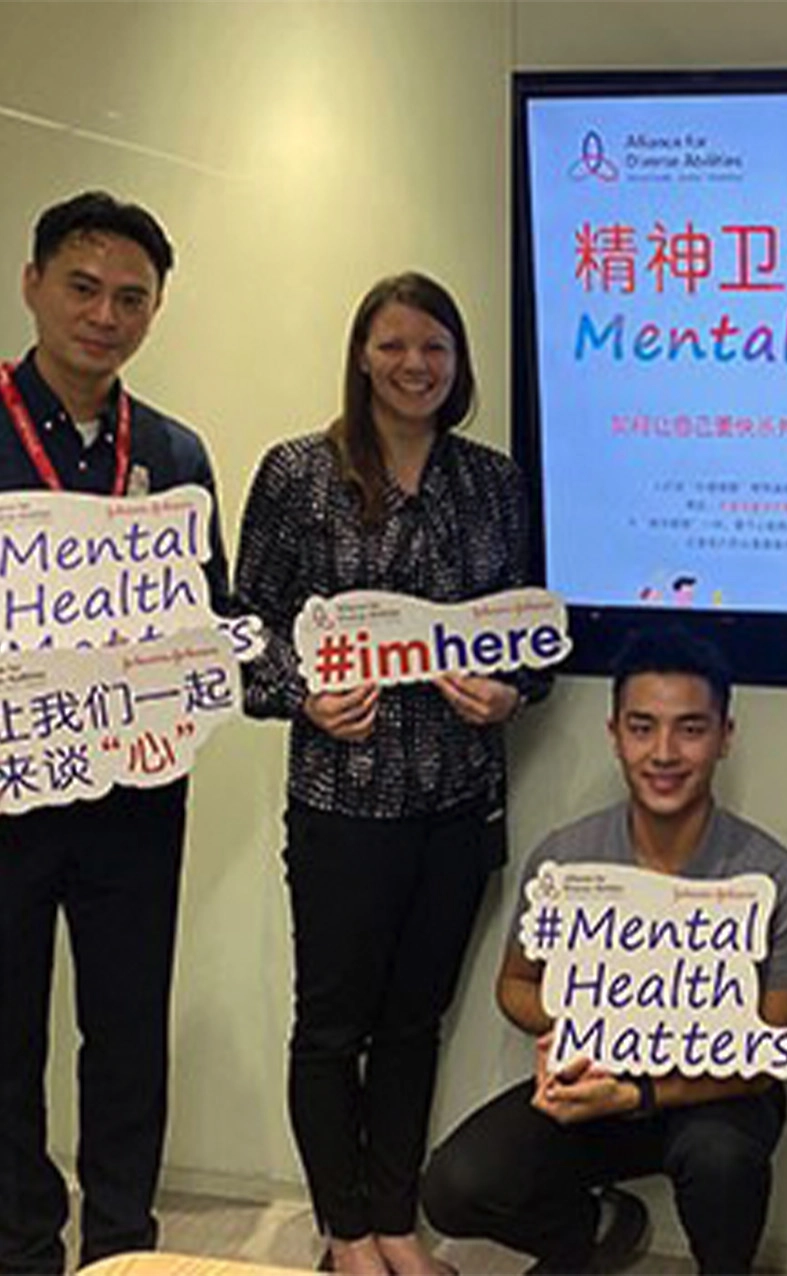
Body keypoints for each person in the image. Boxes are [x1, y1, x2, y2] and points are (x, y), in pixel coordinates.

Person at [236, 273, 547, 1275]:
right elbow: (245, 633)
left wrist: (513, 691)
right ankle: (344, 1230)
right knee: (332, 1026)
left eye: (436, 349)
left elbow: (534, 632)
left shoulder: (493, 481)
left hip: (457, 799)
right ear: (361, 355)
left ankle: (396, 1223)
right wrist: (301, 693)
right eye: (395, 346)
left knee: (417, 1021)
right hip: (343, 798)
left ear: (459, 365)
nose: (416, 366)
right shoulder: (299, 474)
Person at [420, 626, 787, 1275]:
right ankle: (593, 1231)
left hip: (718, 1097)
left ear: (725, 737)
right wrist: (580, 1025)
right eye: (642, 727)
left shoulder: (776, 877)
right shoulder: (566, 858)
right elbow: (514, 985)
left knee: (722, 1160)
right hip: (593, 1073)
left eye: (691, 729)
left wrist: (639, 1095)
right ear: (614, 734)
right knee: (453, 1186)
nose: (664, 752)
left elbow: (771, 1050)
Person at [0, 191, 227, 1275]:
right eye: (84, 287)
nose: (106, 315)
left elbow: (211, 613)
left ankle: (125, 1247)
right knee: (4, 1039)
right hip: (7, 793)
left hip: (136, 797)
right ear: (34, 282)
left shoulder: (176, 452)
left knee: (128, 1034)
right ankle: (24, 1242)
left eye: (132, 297)